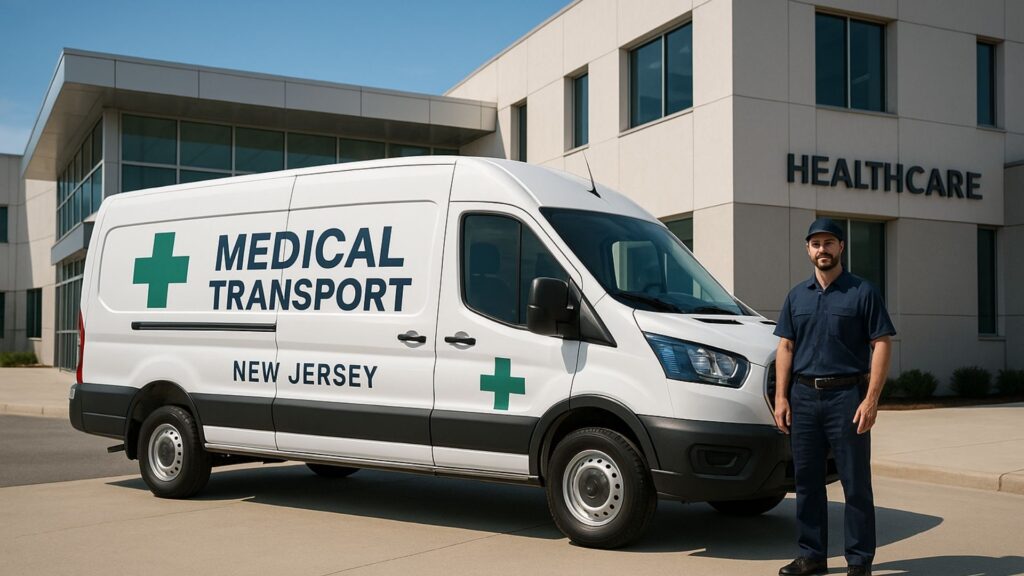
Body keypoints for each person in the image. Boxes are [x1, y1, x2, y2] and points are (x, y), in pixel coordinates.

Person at [772, 217, 895, 576]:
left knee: (855, 483)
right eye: (815, 244)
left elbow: (882, 343)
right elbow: (786, 346)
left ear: (841, 247)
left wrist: (871, 399)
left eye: (829, 243)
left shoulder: (862, 292)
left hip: (847, 398)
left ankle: (859, 562)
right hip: (804, 398)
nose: (822, 250)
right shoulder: (796, 296)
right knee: (807, 484)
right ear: (807, 249)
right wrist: (781, 398)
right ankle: (812, 557)